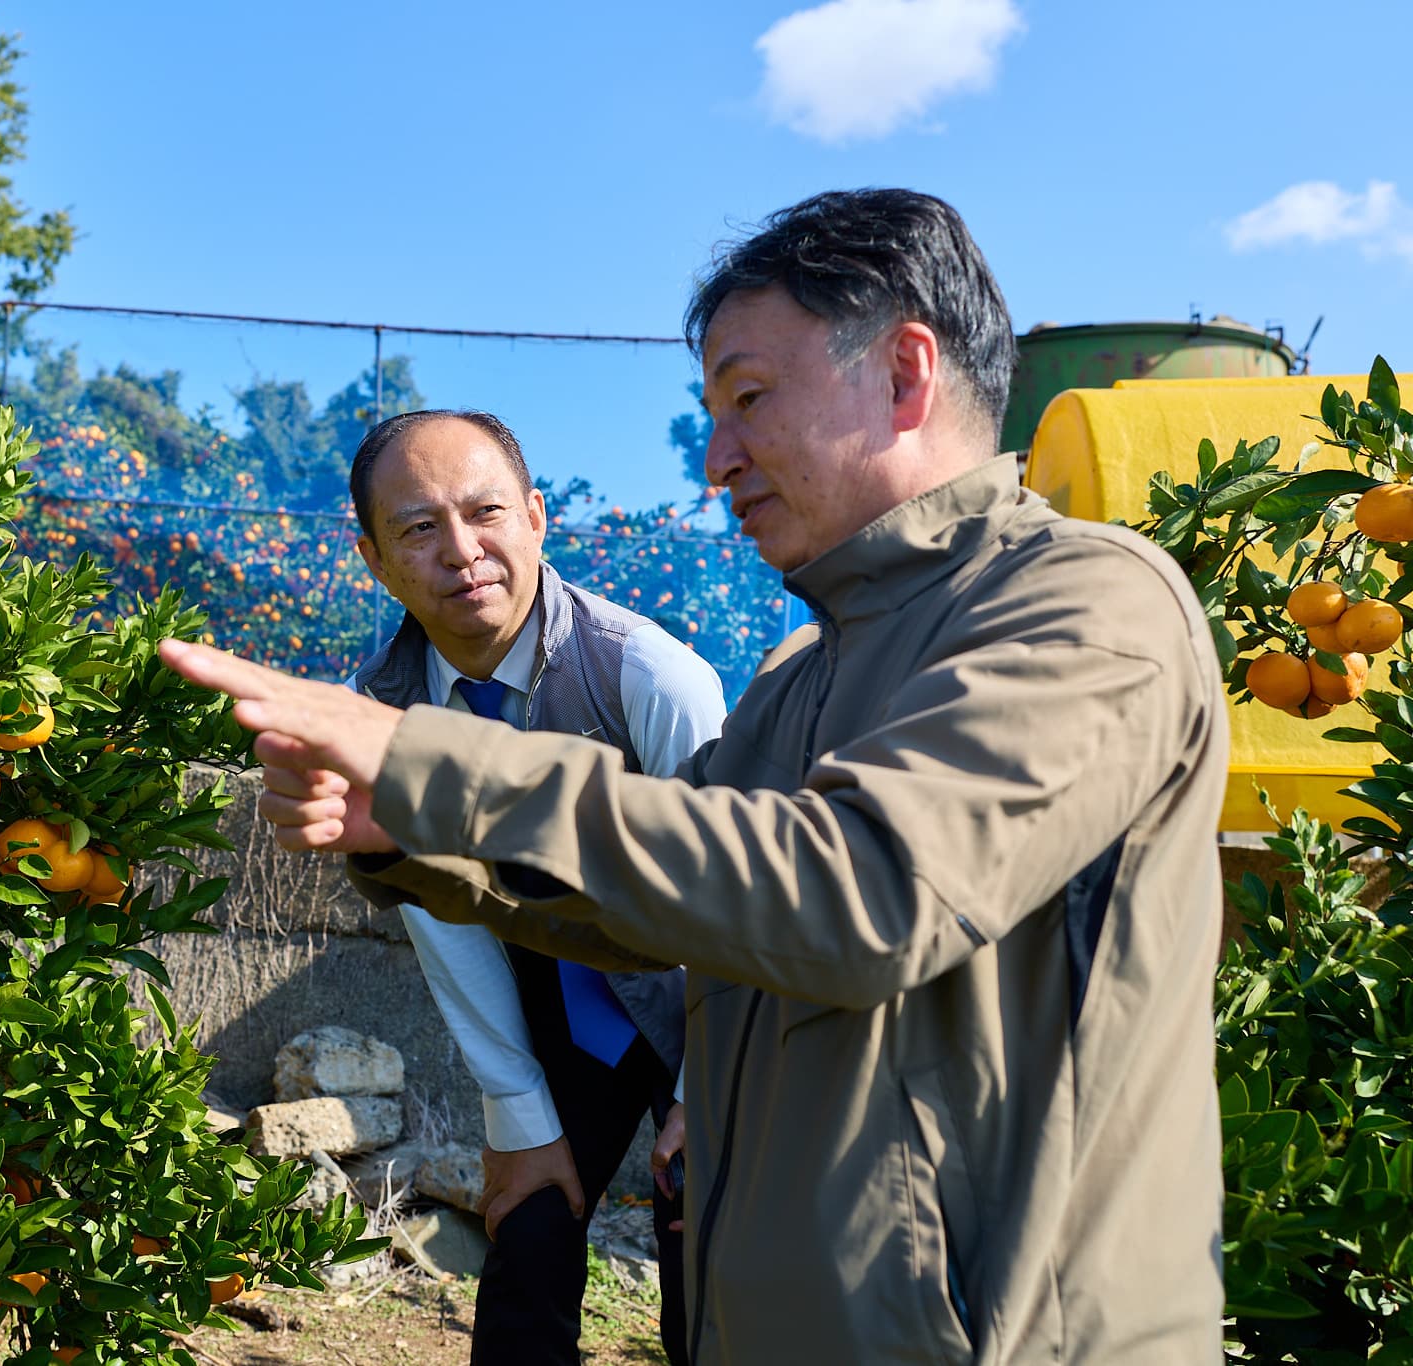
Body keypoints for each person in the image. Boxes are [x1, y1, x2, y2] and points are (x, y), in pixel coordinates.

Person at [162, 188, 1227, 1363]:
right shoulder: (800, 678)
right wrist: (404, 838)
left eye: (749, 401)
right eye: (711, 414)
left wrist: (432, 760)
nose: (716, 459)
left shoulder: (1083, 602)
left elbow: (860, 892)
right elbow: (678, 911)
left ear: (905, 373)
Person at [342, 407, 725, 1365]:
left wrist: (711, 1092)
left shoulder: (650, 676)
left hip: (703, 991)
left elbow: (730, 899)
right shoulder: (381, 710)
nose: (462, 552)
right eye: (419, 528)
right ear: (375, 559)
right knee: (530, 1233)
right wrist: (516, 1116)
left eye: (486, 512)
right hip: (556, 1002)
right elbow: (447, 923)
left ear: (538, 518)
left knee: (709, 1262)